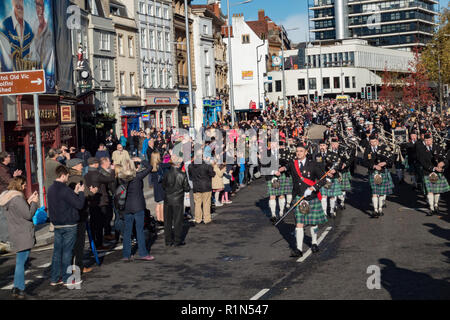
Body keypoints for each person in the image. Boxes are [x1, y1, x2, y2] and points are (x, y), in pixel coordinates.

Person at [279, 143, 328, 258]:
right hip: (299, 196)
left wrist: (313, 188)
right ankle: (299, 249)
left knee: (312, 222)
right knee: (299, 224)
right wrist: (279, 170)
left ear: (306, 152)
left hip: (311, 197)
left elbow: (323, 179)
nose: (298, 153)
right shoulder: (293, 163)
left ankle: (314, 242)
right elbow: (286, 167)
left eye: (301, 151)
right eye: (297, 151)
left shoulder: (313, 164)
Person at [0, 176, 39, 299]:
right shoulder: (17, 198)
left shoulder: (8, 197)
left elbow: (18, 211)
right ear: (19, 185)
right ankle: (20, 288)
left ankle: (16, 287)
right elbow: (28, 214)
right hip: (23, 233)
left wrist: (28, 200)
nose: (25, 187)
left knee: (20, 261)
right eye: (24, 185)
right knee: (21, 262)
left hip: (15, 232)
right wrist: (34, 202)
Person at [47, 165, 86, 287]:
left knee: (57, 252)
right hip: (69, 224)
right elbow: (79, 205)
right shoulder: (64, 189)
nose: (68, 179)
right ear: (63, 175)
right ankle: (67, 278)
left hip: (57, 224)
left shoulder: (51, 189)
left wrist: (73, 193)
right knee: (67, 252)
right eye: (67, 176)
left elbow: (64, 202)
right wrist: (81, 192)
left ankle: (54, 278)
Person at [118, 158, 154, 261]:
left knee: (127, 231)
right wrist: (141, 160)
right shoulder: (137, 176)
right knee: (139, 230)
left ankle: (126, 254)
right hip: (138, 205)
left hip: (127, 206)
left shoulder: (121, 178)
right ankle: (143, 253)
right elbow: (150, 167)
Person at [67, 158, 96, 274]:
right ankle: (79, 267)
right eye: (79, 164)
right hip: (80, 212)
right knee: (79, 243)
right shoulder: (79, 178)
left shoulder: (68, 178)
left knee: (72, 243)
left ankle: (71, 267)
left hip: (71, 213)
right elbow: (86, 194)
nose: (81, 166)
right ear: (74, 167)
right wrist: (92, 192)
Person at [84, 157, 115, 249]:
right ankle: (99, 244)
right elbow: (110, 179)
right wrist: (113, 170)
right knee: (100, 223)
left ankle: (93, 243)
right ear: (95, 164)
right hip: (100, 201)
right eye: (97, 163)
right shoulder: (97, 174)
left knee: (93, 223)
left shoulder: (86, 175)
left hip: (91, 201)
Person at [416, 133, 449, 216]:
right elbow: (422, 162)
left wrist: (443, 163)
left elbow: (445, 158)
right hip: (427, 172)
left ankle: (436, 205)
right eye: (426, 140)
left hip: (438, 172)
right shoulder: (421, 149)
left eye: (429, 140)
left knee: (437, 191)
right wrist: (434, 168)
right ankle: (431, 208)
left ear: (432, 140)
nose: (428, 142)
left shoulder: (438, 147)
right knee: (430, 192)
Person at [363, 134, 394, 218]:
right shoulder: (367, 149)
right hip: (373, 172)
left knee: (381, 193)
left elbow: (391, 157)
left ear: (377, 141)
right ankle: (375, 210)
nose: (373, 143)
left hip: (382, 171)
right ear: (369, 142)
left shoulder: (384, 147)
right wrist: (373, 166)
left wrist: (385, 163)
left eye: (374, 141)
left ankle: (380, 209)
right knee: (374, 193)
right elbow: (364, 161)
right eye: (371, 142)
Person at [162, 155, 190, 247]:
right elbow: (187, 188)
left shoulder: (166, 174)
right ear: (178, 164)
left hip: (168, 199)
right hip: (178, 199)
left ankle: (168, 240)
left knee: (167, 221)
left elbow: (163, 186)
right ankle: (177, 240)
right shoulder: (182, 174)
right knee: (177, 220)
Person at [0, 152, 22, 250]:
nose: (11, 157)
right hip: (3, 194)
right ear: (4, 158)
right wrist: (16, 176)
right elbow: (9, 182)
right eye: (9, 156)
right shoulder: (2, 169)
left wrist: (13, 175)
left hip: (5, 193)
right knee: (4, 216)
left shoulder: (4, 168)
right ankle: (5, 239)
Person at [188, 156, 216, 225]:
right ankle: (206, 219)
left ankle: (198, 219)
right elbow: (213, 174)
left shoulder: (190, 166)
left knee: (197, 203)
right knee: (206, 203)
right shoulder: (207, 165)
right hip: (206, 186)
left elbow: (190, 177)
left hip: (196, 187)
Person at [98, 157, 116, 241]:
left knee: (108, 215)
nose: (110, 163)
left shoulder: (104, 171)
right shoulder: (103, 172)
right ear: (104, 163)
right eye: (109, 161)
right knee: (107, 216)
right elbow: (110, 183)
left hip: (107, 195)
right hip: (105, 196)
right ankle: (107, 233)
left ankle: (107, 232)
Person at [150, 151, 170, 225]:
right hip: (161, 186)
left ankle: (158, 219)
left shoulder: (151, 166)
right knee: (162, 203)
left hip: (156, 187)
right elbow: (168, 165)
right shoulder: (160, 165)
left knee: (158, 203)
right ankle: (162, 219)